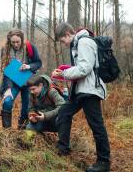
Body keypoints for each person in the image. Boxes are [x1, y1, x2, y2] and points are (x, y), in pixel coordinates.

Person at [52, 22, 110, 172]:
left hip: (90, 90)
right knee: (64, 112)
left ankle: (103, 162)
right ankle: (63, 149)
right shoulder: (78, 43)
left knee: (96, 125)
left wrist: (63, 74)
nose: (63, 44)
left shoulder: (84, 42)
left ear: (67, 34)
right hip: (80, 90)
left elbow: (85, 68)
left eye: (62, 41)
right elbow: (81, 67)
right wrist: (65, 70)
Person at [0, 28, 42, 129]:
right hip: (12, 82)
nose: (15, 44)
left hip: (28, 82)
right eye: (13, 42)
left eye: (18, 42)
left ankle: (22, 130)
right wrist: (8, 89)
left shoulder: (30, 47)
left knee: (26, 108)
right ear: (9, 41)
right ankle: (7, 132)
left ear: (22, 40)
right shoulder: (5, 50)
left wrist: (28, 66)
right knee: (7, 101)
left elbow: (38, 63)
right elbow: (6, 71)